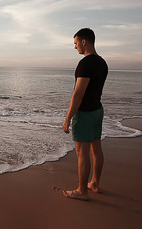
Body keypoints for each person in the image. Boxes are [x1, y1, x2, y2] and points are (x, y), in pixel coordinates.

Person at [62, 28, 108, 201]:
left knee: (82, 153)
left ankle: (82, 190)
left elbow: (78, 93)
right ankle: (95, 183)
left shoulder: (85, 63)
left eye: (75, 43)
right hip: (97, 110)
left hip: (86, 113)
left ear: (84, 41)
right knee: (96, 149)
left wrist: (68, 118)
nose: (75, 47)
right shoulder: (102, 62)